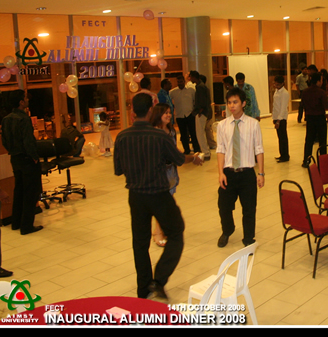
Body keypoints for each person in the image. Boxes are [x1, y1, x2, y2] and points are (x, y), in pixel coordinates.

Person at [113, 93, 203, 301]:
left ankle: (143, 289)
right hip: (159, 194)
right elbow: (179, 159)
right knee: (176, 232)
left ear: (133, 111)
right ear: (150, 111)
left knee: (140, 243)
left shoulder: (122, 137)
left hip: (136, 196)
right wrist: (194, 159)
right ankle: (159, 280)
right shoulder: (159, 136)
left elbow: (118, 170)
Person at [216, 88, 265, 248]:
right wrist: (220, 173)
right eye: (229, 102)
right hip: (229, 173)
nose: (232, 105)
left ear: (243, 103)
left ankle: (248, 238)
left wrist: (261, 173)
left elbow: (259, 149)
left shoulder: (253, 124)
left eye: (235, 102)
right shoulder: (222, 125)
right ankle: (227, 230)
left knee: (249, 209)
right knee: (224, 206)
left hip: (247, 174)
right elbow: (220, 150)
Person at [1, 89, 43, 235]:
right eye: (25, 98)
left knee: (18, 190)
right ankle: (27, 226)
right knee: (31, 192)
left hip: (15, 158)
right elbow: (28, 141)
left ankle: (16, 222)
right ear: (21, 102)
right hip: (27, 159)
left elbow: (4, 141)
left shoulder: (6, 119)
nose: (27, 100)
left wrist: (13, 151)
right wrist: (34, 157)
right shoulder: (24, 119)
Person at [149, 103, 180, 247]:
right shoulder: (154, 132)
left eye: (169, 112)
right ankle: (158, 231)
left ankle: (162, 228)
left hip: (171, 171)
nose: (168, 115)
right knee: (161, 203)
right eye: (165, 113)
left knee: (168, 202)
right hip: (158, 172)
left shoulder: (171, 131)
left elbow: (174, 150)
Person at [301, 72, 328, 168]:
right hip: (320, 118)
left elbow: (303, 105)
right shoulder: (321, 92)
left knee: (309, 140)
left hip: (310, 118)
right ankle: (323, 161)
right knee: (322, 140)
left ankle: (306, 160)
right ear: (318, 81)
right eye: (321, 80)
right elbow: (326, 106)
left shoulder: (305, 92)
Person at [170, 73, 200, 154]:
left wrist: (194, 111)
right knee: (183, 135)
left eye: (181, 81)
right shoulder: (173, 92)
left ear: (184, 81)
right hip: (179, 116)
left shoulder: (191, 90)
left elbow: (195, 101)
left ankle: (196, 149)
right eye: (178, 82)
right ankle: (186, 150)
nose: (180, 83)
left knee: (193, 133)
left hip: (190, 114)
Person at [189, 70, 212, 161]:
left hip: (201, 112)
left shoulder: (200, 87)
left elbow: (202, 101)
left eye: (190, 77)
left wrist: (199, 111)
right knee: (201, 133)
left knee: (200, 133)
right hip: (202, 112)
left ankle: (206, 152)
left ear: (194, 77)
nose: (190, 79)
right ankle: (206, 151)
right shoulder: (201, 86)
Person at [272, 75, 290, 162]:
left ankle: (285, 156)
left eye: (278, 84)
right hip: (277, 117)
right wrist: (274, 118)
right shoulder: (276, 91)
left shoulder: (284, 93)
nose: (276, 86)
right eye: (275, 84)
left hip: (281, 118)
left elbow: (283, 108)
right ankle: (282, 154)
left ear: (283, 83)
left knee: (283, 137)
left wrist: (278, 120)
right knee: (280, 137)